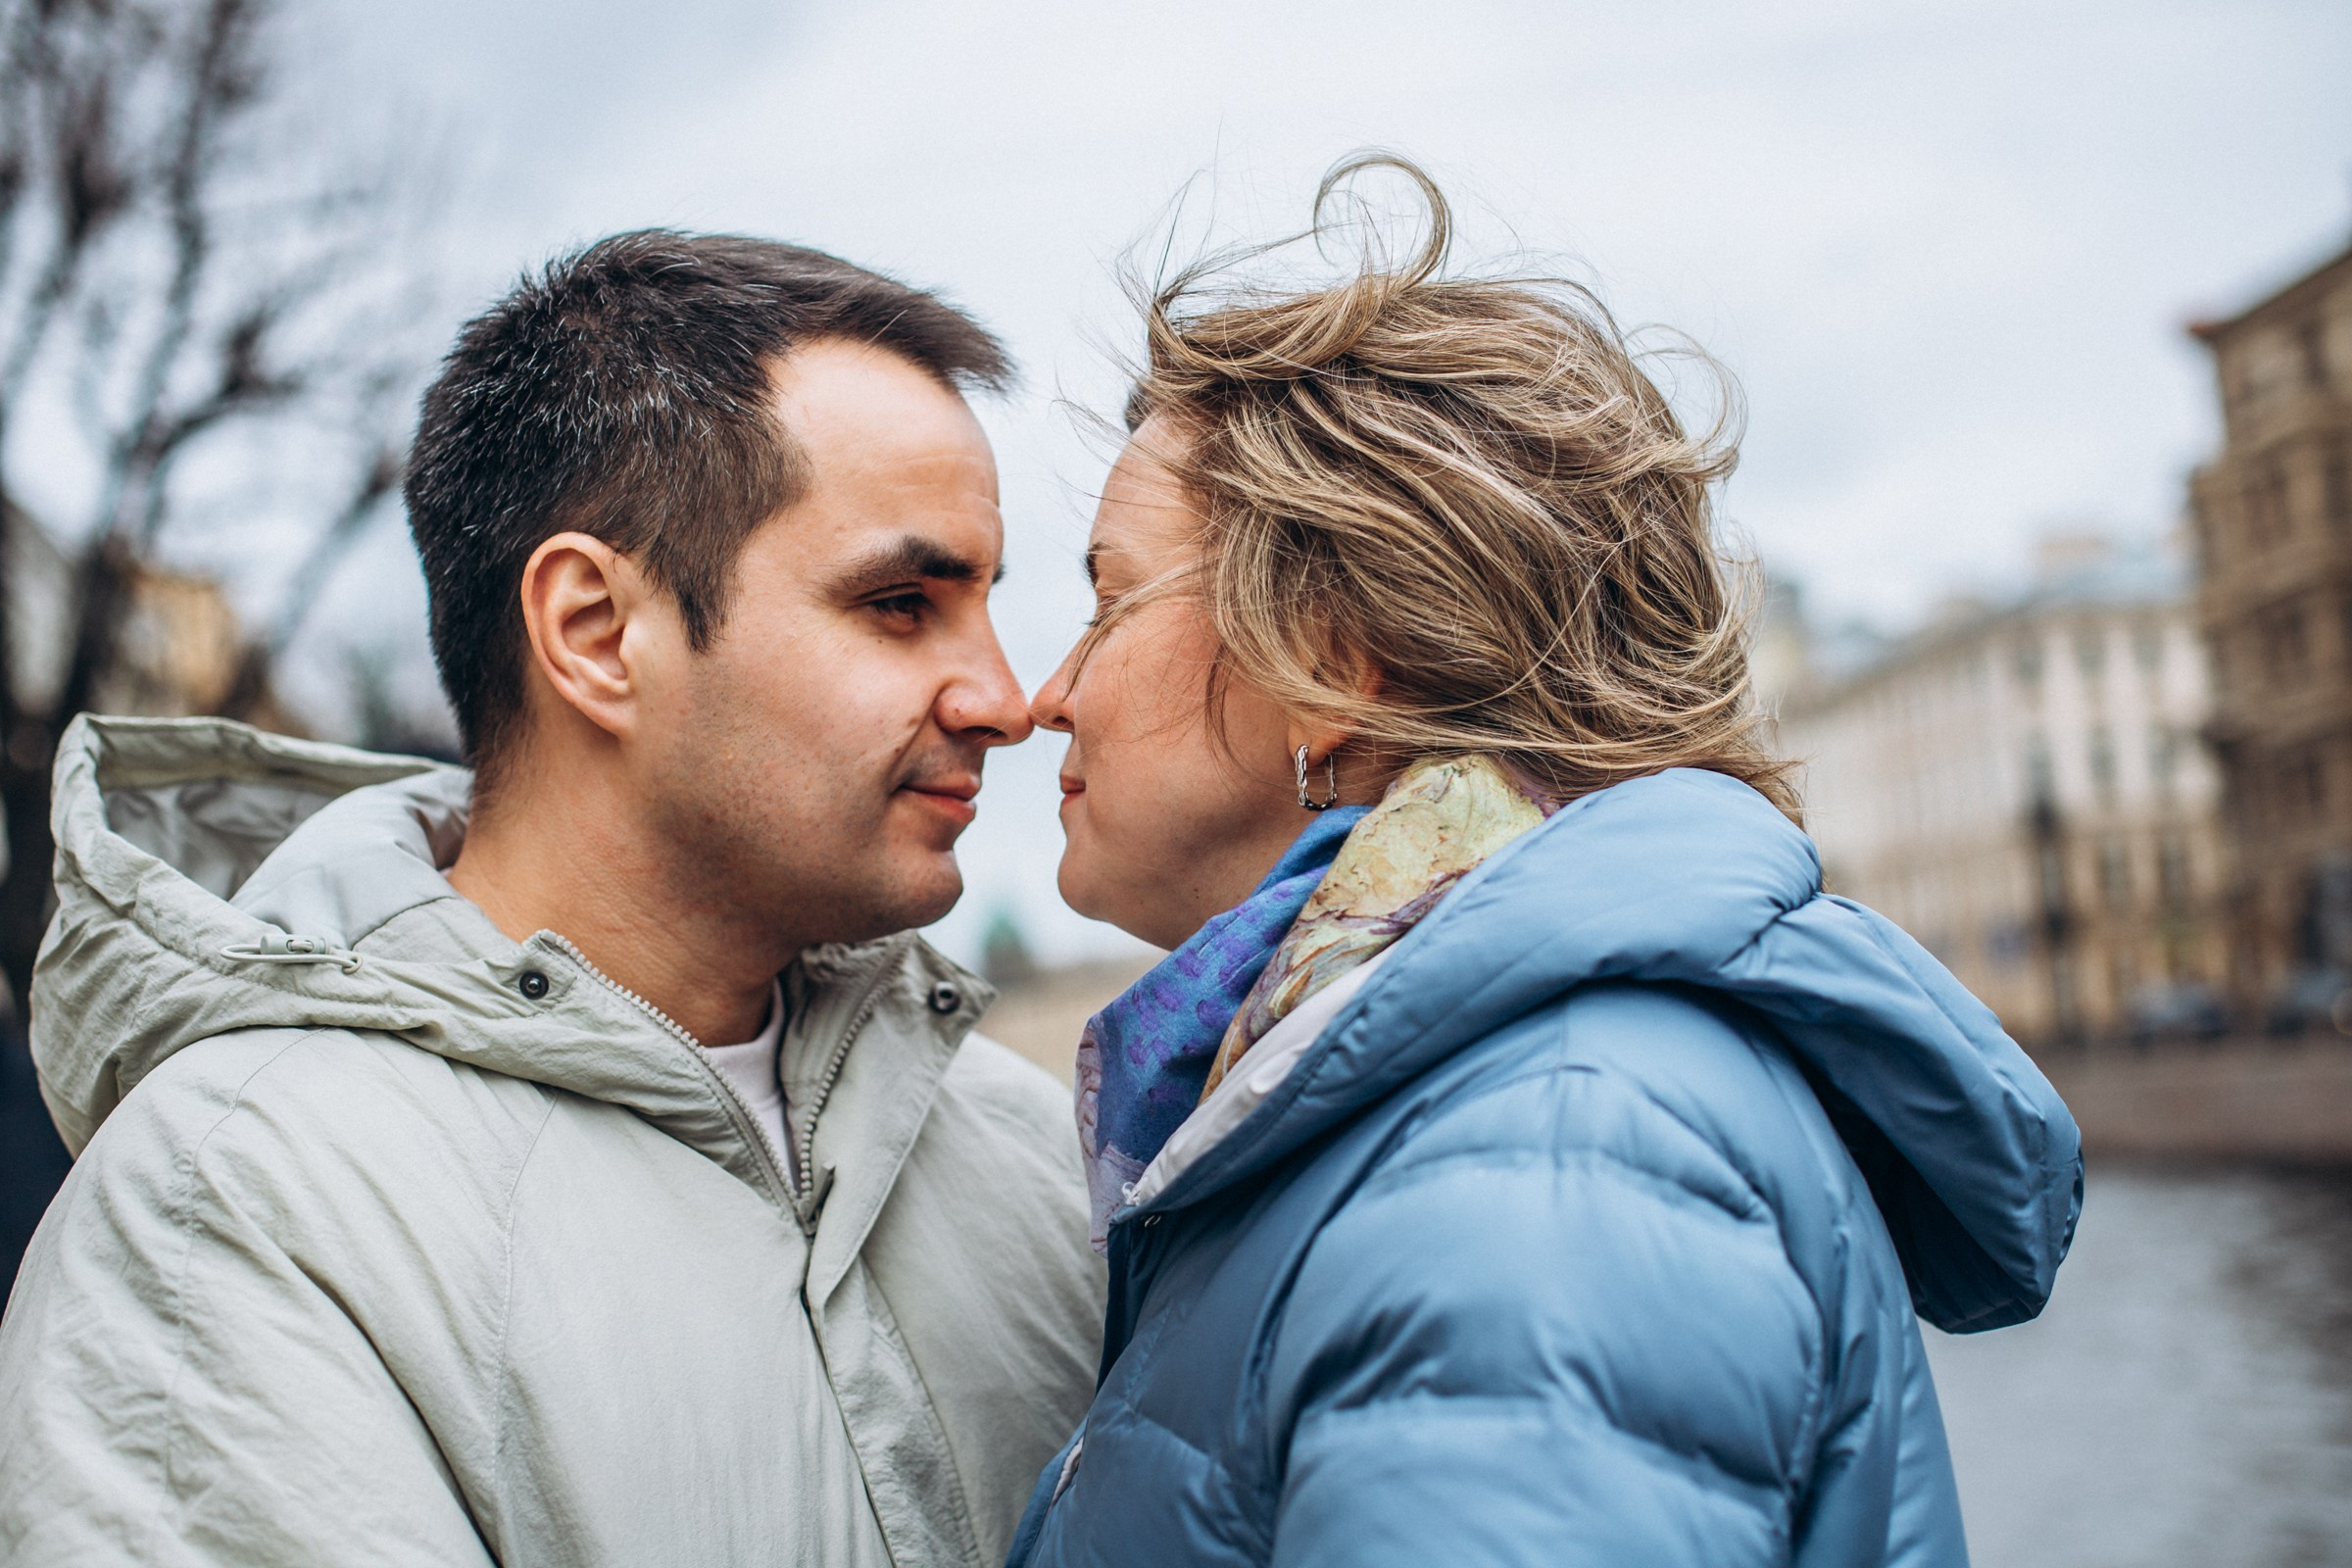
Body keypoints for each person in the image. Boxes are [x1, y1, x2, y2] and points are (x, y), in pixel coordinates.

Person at [1007, 158, 2080, 1568]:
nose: (1043, 695)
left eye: (1105, 599)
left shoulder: (1537, 1166)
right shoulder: (1483, 1109)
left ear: (1328, 651)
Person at [0, 232, 1103, 1566]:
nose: (1005, 700)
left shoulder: (1034, 1144)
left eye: (984, 602)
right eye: (900, 602)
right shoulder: (236, 1213)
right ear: (594, 632)